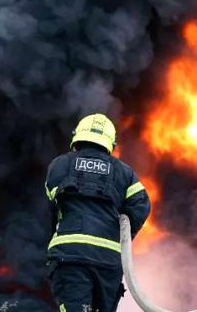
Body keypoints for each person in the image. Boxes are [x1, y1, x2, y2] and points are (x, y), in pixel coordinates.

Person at [45, 113, 150, 312]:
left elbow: (53, 201)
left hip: (70, 255)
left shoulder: (60, 164)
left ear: (78, 136)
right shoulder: (123, 172)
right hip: (107, 260)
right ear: (110, 142)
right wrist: (119, 235)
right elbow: (141, 206)